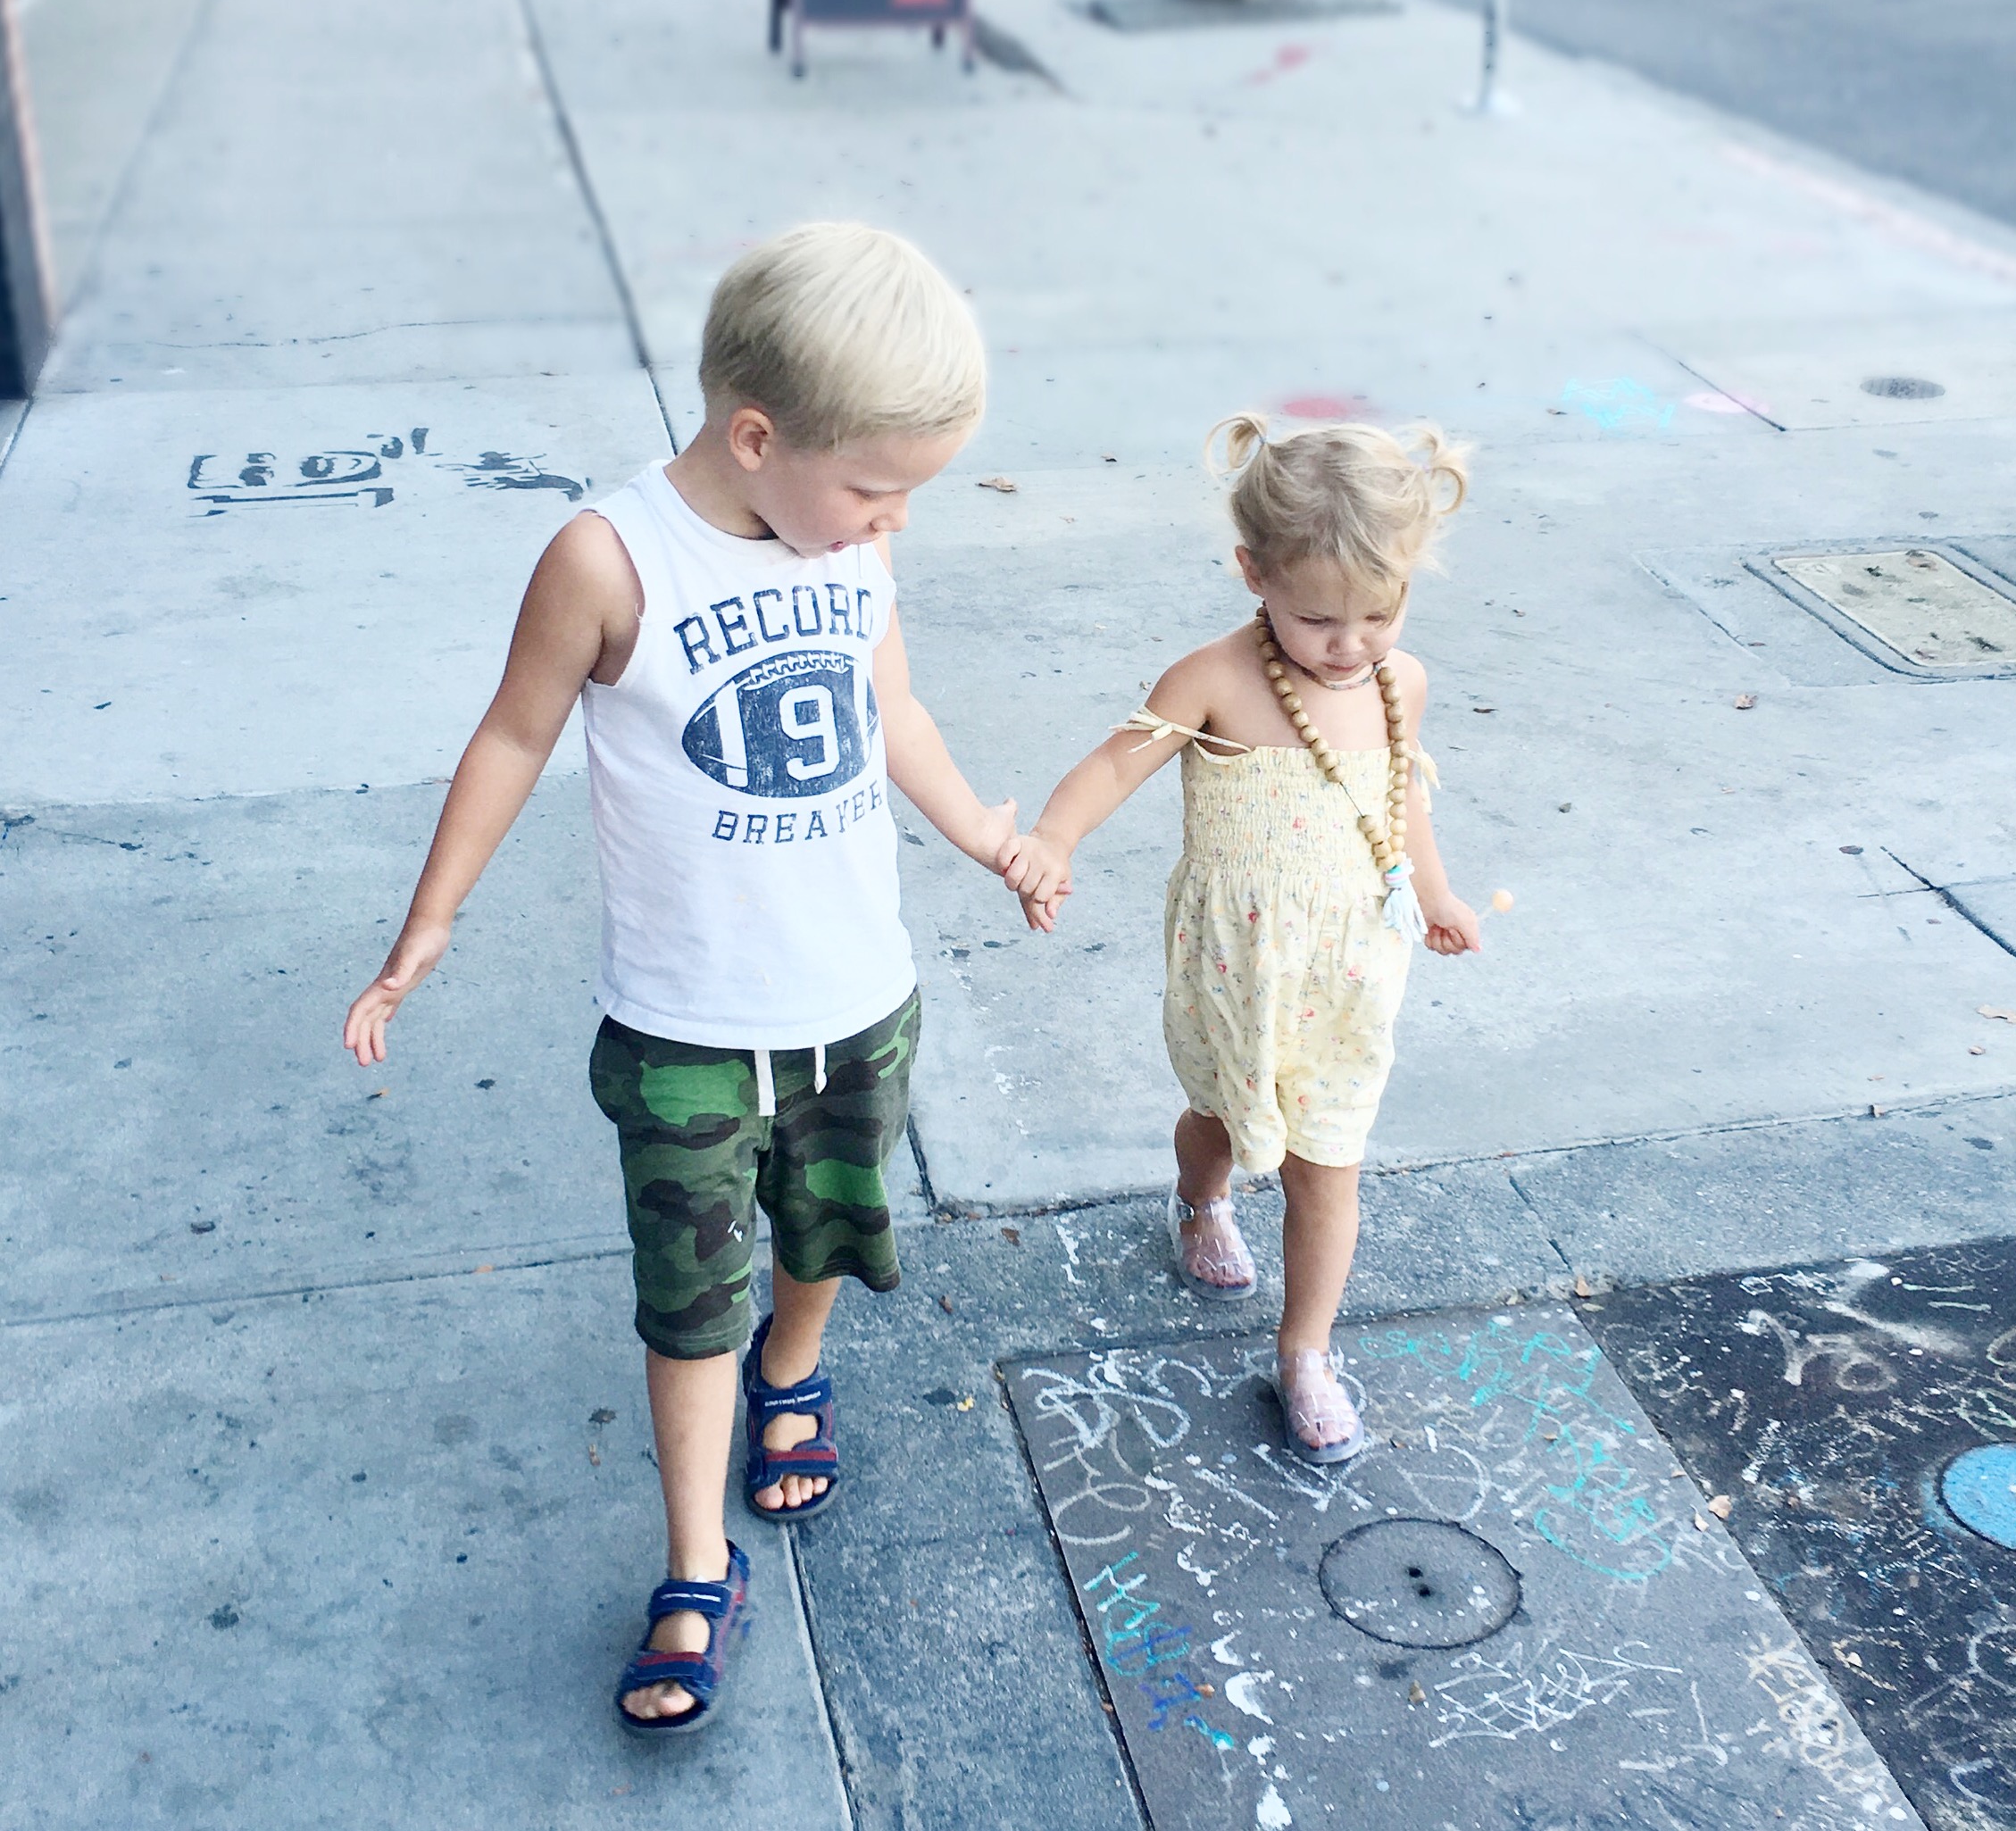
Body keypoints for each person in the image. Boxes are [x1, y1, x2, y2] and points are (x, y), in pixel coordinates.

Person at [342, 222, 1018, 1732]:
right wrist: (431, 919)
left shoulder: (852, 542)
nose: (889, 519)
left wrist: (982, 830)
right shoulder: (608, 555)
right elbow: (515, 733)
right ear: (754, 433)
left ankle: (799, 1368)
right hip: (687, 1028)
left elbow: (884, 702)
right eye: (873, 484)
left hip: (853, 999)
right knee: (684, 1296)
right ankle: (694, 1561)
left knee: (824, 1222)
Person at [1004, 412, 1479, 1464]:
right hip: (1236, 973)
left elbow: (1403, 805)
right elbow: (1113, 766)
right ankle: (1199, 1196)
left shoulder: (1402, 685)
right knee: (1219, 1118)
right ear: (1252, 571)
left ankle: (1305, 1350)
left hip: (1351, 969)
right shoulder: (1212, 679)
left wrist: (1436, 895)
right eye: (1317, 619)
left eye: (1378, 613)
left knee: (1328, 1161)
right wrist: (1052, 837)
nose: (1349, 644)